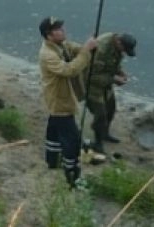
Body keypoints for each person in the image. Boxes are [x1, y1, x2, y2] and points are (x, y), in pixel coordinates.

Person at [38, 16, 98, 189]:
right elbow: (69, 70)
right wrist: (87, 51)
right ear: (49, 35)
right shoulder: (47, 54)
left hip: (57, 101)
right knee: (72, 140)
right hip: (60, 102)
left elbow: (76, 49)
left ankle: (52, 161)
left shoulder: (60, 45)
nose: (63, 30)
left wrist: (88, 46)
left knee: (54, 132)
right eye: (58, 29)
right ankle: (73, 177)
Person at [85, 32, 136, 153]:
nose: (124, 52)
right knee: (100, 114)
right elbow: (90, 75)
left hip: (105, 83)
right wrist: (113, 79)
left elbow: (113, 61)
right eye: (124, 49)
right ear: (118, 42)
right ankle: (97, 142)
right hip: (92, 85)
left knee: (111, 108)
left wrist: (120, 72)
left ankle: (105, 133)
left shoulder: (116, 46)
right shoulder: (101, 50)